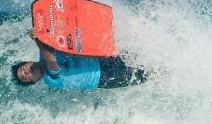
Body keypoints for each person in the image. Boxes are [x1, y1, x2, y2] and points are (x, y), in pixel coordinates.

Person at [12, 29, 148, 89]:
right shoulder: (50, 80)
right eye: (26, 76)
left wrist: (68, 6)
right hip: (103, 77)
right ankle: (167, 75)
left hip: (99, 58)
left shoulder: (44, 52)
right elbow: (52, 61)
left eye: (23, 68)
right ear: (34, 81)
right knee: (146, 74)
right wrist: (36, 39)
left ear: (28, 62)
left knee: (138, 53)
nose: (27, 71)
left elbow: (62, 32)